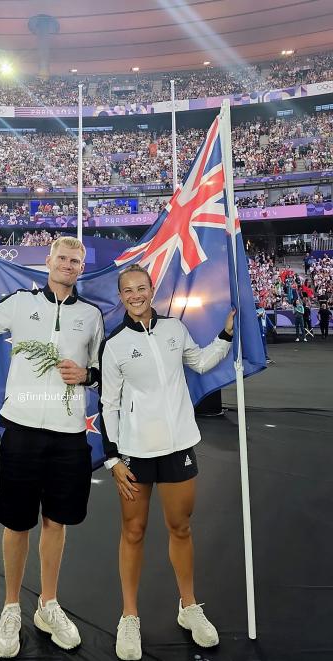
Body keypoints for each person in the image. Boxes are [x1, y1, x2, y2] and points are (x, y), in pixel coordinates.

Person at [0, 236, 104, 658]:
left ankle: (47, 605)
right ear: (48, 261)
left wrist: (88, 376)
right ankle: (11, 607)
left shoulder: (92, 316)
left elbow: (102, 370)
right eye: (62, 258)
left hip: (70, 434)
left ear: (80, 268)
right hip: (22, 429)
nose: (68, 265)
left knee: (56, 523)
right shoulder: (20, 303)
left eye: (76, 261)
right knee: (17, 524)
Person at [99, 264, 234, 660]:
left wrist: (226, 333)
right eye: (129, 290)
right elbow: (108, 405)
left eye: (142, 288)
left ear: (152, 289)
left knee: (180, 528)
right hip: (135, 454)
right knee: (134, 532)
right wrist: (112, 458)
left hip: (178, 448)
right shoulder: (115, 344)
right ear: (121, 296)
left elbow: (203, 362)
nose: (137, 295)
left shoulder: (175, 329)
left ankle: (188, 607)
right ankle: (129, 616)